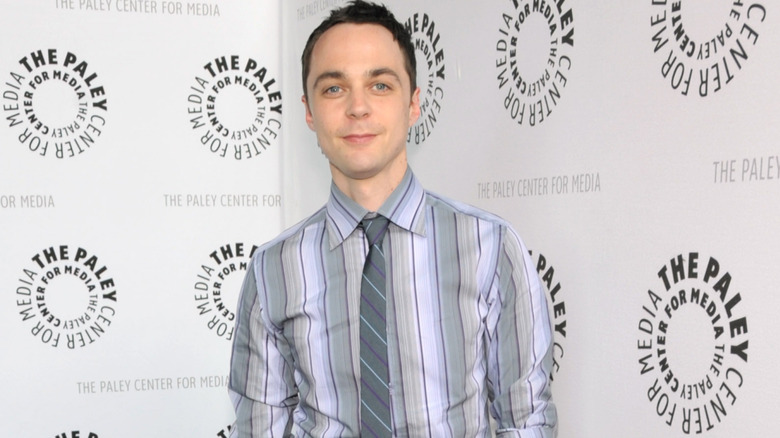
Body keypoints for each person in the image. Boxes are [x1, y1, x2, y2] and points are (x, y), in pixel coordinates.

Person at [229, 1, 558, 436]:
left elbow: (527, 421)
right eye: (334, 88)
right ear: (309, 110)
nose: (358, 107)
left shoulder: (489, 246)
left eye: (380, 85)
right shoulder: (274, 269)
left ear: (414, 104)